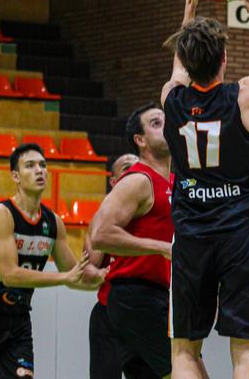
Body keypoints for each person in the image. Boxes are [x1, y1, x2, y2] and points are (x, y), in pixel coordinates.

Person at [161, 0, 249, 379]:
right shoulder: (243, 97)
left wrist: (190, 8)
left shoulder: (171, 100)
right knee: (246, 355)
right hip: (239, 237)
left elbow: (180, 69)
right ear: (225, 59)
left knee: (183, 351)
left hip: (192, 238)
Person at [0, 143, 95, 379]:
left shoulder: (53, 222)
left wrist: (105, 278)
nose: (40, 170)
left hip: (17, 322)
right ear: (15, 176)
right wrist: (65, 277)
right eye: (30, 165)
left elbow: (73, 274)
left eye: (43, 165)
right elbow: (10, 274)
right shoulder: (1, 214)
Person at [90, 104, 175, 379]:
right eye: (156, 123)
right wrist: (160, 248)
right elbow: (101, 234)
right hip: (136, 296)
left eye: (167, 120)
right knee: (188, 371)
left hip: (160, 296)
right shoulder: (138, 180)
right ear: (140, 140)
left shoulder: (176, 181)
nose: (166, 125)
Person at [86, 152, 138, 379]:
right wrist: (100, 273)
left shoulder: (160, 211)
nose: (135, 173)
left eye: (139, 168)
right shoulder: (104, 216)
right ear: (114, 181)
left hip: (149, 314)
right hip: (110, 314)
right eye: (127, 168)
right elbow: (88, 268)